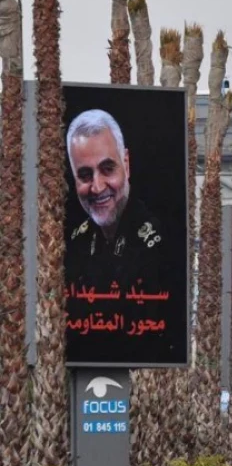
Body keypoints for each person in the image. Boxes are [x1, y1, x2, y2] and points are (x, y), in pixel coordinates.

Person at [64, 109, 170, 361]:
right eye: (85, 175)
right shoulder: (73, 245)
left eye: (107, 169)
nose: (97, 187)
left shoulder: (161, 243)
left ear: (126, 164)